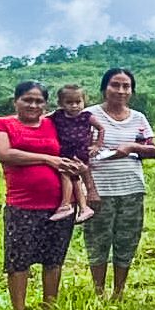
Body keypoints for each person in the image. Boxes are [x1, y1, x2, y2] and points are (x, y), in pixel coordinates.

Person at [0, 81, 82, 310]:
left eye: (39, 101)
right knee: (18, 261)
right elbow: (4, 154)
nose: (33, 104)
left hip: (60, 206)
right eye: (27, 99)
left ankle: (49, 307)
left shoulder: (52, 124)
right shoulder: (3, 124)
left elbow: (75, 135)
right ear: (15, 101)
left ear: (46, 104)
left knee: (53, 258)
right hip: (22, 205)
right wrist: (48, 159)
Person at [84, 68, 155, 299]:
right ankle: (98, 292)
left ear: (132, 91)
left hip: (132, 190)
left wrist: (132, 148)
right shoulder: (88, 115)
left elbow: (152, 150)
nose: (121, 90)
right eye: (115, 85)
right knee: (98, 241)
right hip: (99, 190)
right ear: (104, 88)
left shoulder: (139, 118)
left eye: (126, 86)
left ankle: (118, 292)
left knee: (127, 241)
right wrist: (89, 190)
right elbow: (78, 152)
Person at [47, 84, 104, 222]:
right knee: (74, 178)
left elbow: (101, 129)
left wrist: (96, 145)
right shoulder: (58, 115)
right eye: (69, 102)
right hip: (65, 151)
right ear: (61, 103)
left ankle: (66, 204)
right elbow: (43, 119)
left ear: (84, 101)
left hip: (79, 152)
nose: (74, 106)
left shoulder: (87, 116)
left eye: (78, 102)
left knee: (66, 174)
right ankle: (83, 207)